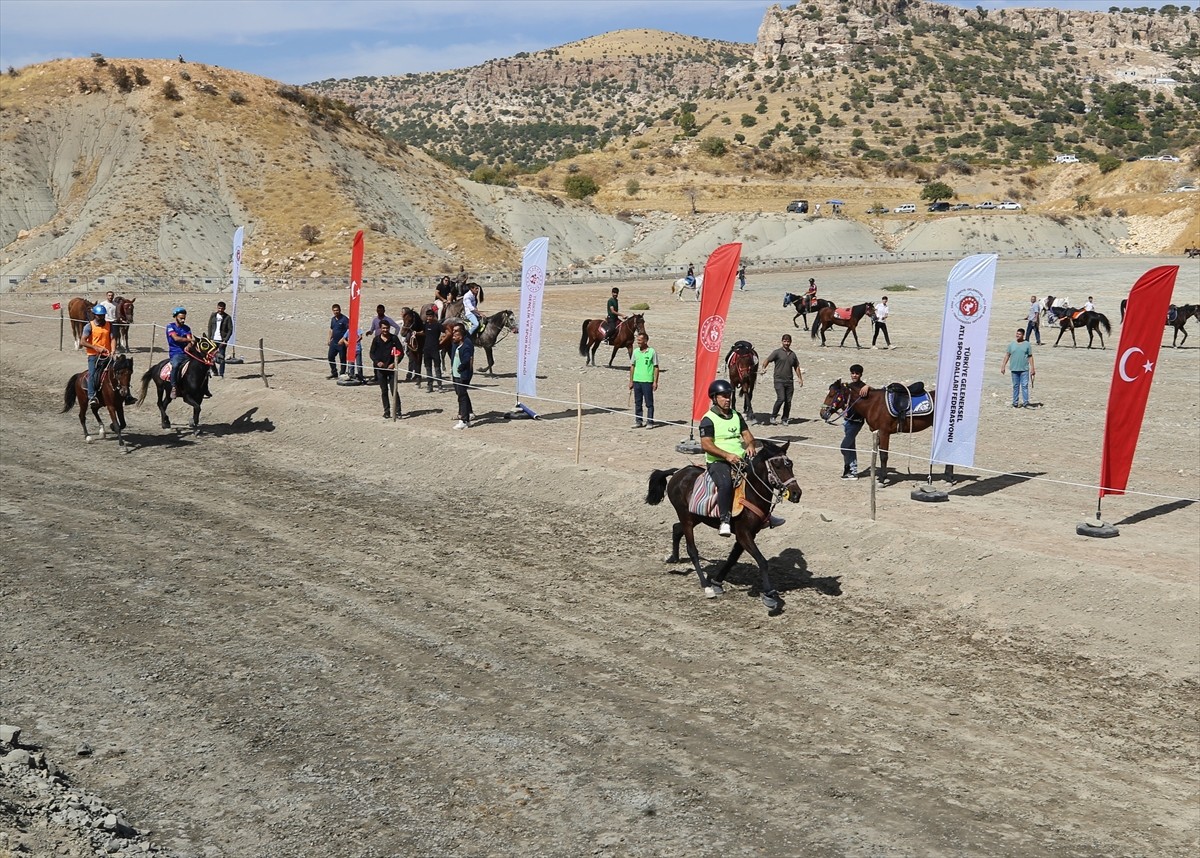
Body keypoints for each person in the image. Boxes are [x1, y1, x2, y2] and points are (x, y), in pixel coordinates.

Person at [699, 379, 784, 536]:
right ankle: (724, 520)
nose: (727, 399)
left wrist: (751, 445)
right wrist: (727, 455)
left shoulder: (736, 416)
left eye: (728, 396)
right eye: (723, 396)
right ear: (714, 398)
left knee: (762, 475)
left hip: (740, 458)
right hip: (718, 461)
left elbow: (747, 435)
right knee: (725, 483)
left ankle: (766, 515)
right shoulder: (708, 419)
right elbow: (706, 445)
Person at [760, 334, 804, 425]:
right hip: (779, 380)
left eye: (788, 341)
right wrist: (763, 368)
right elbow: (767, 360)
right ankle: (773, 416)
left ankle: (785, 419)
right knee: (781, 398)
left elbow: (796, 367)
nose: (786, 343)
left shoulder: (793, 354)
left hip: (789, 381)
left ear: (790, 342)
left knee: (788, 401)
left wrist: (800, 378)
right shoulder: (777, 352)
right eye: (785, 341)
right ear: (782, 341)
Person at [80, 304, 112, 406]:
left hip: (107, 354)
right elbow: (83, 341)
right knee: (92, 374)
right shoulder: (89, 326)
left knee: (120, 371)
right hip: (94, 355)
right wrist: (96, 347)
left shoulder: (108, 325)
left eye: (103, 315)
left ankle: (126, 395)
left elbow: (113, 338)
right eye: (99, 315)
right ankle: (91, 396)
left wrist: (113, 350)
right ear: (94, 315)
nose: (102, 317)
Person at [841, 364, 869, 479]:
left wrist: (868, 386)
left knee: (844, 446)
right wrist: (844, 410)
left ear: (861, 375)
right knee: (850, 446)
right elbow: (843, 400)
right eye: (852, 373)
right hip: (847, 421)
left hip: (856, 421)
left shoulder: (863, 387)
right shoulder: (849, 386)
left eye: (856, 373)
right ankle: (850, 470)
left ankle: (851, 469)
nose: (854, 375)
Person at [370, 321, 402, 419]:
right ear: (380, 328)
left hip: (391, 369)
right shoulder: (376, 340)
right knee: (384, 391)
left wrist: (394, 363)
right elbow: (372, 353)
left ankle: (398, 411)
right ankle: (386, 411)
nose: (385, 330)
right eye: (383, 328)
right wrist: (377, 362)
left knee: (394, 390)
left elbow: (401, 352)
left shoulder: (394, 339)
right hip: (381, 370)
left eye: (387, 328)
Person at [628, 331, 659, 428]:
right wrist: (631, 380)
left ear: (645, 341)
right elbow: (632, 366)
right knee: (638, 402)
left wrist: (655, 381)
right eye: (638, 340)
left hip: (647, 381)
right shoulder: (636, 352)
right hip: (637, 380)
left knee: (649, 403)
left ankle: (650, 421)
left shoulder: (652, 352)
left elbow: (656, 367)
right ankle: (638, 421)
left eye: (640, 340)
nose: (638, 342)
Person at [1000, 328, 1035, 408]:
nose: (1017, 335)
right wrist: (1003, 366)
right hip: (1014, 369)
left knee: (1024, 386)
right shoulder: (1012, 344)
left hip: (1024, 369)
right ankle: (1015, 402)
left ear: (1023, 335)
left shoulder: (1027, 344)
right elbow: (1007, 355)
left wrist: (1032, 368)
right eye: (1017, 334)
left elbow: (1030, 357)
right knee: (1015, 386)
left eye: (1019, 334)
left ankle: (1026, 402)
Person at [450, 324, 474, 430]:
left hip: (462, 376)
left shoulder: (466, 346)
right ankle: (467, 419)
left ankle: (463, 420)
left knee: (462, 397)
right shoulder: (457, 346)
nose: (453, 337)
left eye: (455, 335)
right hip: (456, 375)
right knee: (461, 395)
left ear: (460, 336)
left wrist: (461, 368)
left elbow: (467, 359)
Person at [166, 307, 194, 398]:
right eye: (181, 318)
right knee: (176, 365)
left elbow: (191, 341)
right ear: (176, 317)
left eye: (184, 318)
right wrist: (188, 339)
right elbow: (175, 338)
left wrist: (188, 346)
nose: (183, 320)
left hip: (187, 353)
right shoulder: (170, 327)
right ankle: (174, 386)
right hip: (175, 353)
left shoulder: (187, 328)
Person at [207, 301, 233, 378]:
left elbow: (230, 330)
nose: (220, 310)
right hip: (213, 340)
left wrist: (225, 340)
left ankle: (221, 373)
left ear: (224, 308)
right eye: (219, 308)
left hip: (222, 340)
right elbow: (210, 327)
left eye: (222, 308)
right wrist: (209, 338)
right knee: (210, 356)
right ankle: (214, 371)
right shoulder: (213, 316)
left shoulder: (227, 318)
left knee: (221, 357)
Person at [422, 308, 444, 392]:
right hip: (426, 349)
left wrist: (442, 341)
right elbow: (423, 332)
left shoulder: (438, 325)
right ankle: (430, 385)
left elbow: (445, 332)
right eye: (427, 317)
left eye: (430, 316)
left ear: (433, 316)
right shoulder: (425, 325)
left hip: (435, 349)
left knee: (437, 368)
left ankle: (439, 385)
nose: (428, 318)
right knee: (428, 368)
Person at [327, 303, 348, 378]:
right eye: (334, 310)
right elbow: (331, 329)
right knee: (330, 357)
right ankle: (334, 372)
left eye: (337, 310)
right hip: (334, 342)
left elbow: (348, 330)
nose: (336, 312)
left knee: (342, 358)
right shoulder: (333, 319)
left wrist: (343, 339)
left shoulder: (344, 319)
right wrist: (329, 339)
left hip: (341, 342)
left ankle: (342, 373)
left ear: (340, 310)